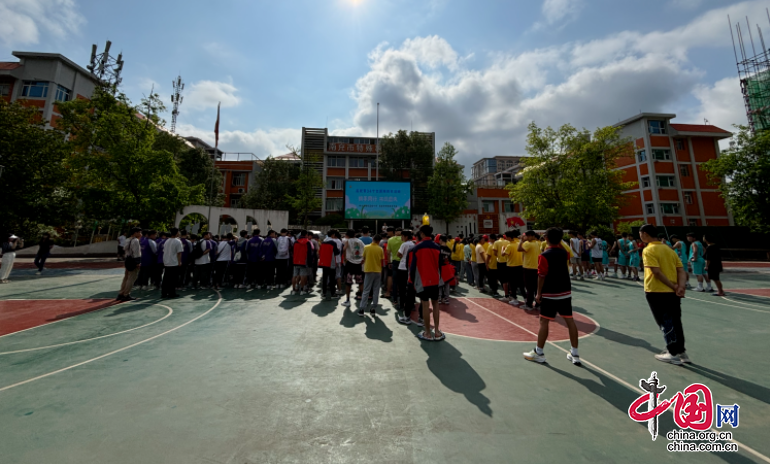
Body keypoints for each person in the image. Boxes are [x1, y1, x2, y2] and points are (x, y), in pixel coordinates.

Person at [523, 227, 581, 365]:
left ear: (546, 238)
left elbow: (541, 276)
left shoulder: (544, 256)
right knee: (570, 321)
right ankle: (575, 353)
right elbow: (565, 249)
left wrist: (538, 293)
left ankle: (539, 352)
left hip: (550, 293)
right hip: (565, 292)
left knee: (544, 322)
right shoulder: (564, 253)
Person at [640, 224, 690, 365]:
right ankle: (681, 351)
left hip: (656, 291)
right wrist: (680, 286)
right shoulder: (669, 250)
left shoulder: (649, 250)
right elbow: (681, 270)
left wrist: (674, 285)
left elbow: (656, 272)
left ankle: (672, 352)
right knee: (675, 320)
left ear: (644, 234)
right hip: (672, 292)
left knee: (665, 321)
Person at [410, 225, 444, 341]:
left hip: (423, 280)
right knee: (435, 304)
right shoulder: (437, 247)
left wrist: (411, 280)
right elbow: (440, 265)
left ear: (422, 233)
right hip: (435, 279)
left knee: (425, 304)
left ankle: (427, 332)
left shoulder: (417, 247)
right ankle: (437, 332)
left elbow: (413, 266)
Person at [360, 234, 384, 316]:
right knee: (376, 290)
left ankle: (362, 309)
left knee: (366, 290)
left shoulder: (366, 247)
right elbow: (382, 260)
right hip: (377, 271)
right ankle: (373, 308)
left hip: (368, 270)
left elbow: (363, 258)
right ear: (379, 241)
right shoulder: (380, 249)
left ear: (373, 239)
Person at [396, 230, 417, 324]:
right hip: (410, 267)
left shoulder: (404, 245)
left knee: (402, 287)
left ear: (405, 236)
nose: (401, 238)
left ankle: (401, 304)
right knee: (410, 287)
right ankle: (411, 304)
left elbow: (399, 254)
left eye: (402, 236)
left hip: (402, 267)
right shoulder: (414, 244)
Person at [116, 227, 142, 301]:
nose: (141, 234)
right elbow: (136, 252)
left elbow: (125, 249)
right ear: (135, 233)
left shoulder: (127, 240)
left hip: (127, 259)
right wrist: (138, 263)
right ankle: (126, 294)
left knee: (126, 277)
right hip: (133, 260)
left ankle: (121, 293)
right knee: (131, 278)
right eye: (139, 232)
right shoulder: (135, 241)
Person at [342, 229, 365, 307]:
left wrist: (345, 258)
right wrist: (363, 259)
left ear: (347, 235)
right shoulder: (360, 241)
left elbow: (344, 249)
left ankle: (348, 300)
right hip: (358, 263)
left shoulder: (348, 241)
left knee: (348, 282)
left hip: (350, 263)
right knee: (360, 281)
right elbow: (364, 250)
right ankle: (363, 298)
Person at [519, 230, 541, 309]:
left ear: (532, 236)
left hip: (528, 268)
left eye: (528, 236)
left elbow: (519, 249)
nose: (526, 237)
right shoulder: (538, 243)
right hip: (536, 267)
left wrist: (521, 241)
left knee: (529, 288)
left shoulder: (527, 244)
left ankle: (529, 304)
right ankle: (538, 304)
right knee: (535, 287)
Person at [503, 230, 525, 306]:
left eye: (506, 236)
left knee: (512, 284)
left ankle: (515, 299)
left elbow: (504, 254)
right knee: (521, 283)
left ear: (509, 237)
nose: (505, 238)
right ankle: (525, 298)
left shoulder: (510, 245)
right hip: (520, 265)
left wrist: (503, 249)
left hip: (511, 266)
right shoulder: (519, 243)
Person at [161, 228, 184, 299]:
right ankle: (172, 293)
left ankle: (164, 293)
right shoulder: (177, 241)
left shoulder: (167, 241)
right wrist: (179, 261)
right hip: (174, 262)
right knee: (173, 279)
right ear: (177, 233)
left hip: (167, 261)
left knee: (166, 278)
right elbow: (179, 253)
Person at [319, 229, 341, 300]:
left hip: (324, 262)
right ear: (332, 235)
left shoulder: (323, 242)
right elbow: (337, 252)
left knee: (324, 278)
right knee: (332, 278)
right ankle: (332, 293)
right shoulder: (333, 242)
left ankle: (324, 293)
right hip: (331, 262)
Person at [291, 230, 313, 295]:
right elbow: (309, 253)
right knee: (303, 275)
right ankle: (302, 290)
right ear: (306, 235)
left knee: (295, 275)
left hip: (295, 260)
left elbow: (293, 251)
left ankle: (294, 289)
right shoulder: (307, 242)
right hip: (304, 261)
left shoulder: (295, 242)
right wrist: (310, 262)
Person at [386, 227, 402, 301]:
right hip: (403, 262)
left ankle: (392, 295)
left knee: (393, 279)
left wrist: (389, 262)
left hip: (394, 261)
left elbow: (388, 252)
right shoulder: (404, 240)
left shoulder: (390, 240)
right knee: (403, 279)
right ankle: (401, 294)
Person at [493, 233, 510, 299]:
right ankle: (510, 293)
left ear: (497, 237)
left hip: (500, 262)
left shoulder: (496, 242)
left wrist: (499, 256)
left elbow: (495, 253)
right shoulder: (508, 242)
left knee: (502, 279)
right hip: (508, 262)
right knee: (508, 278)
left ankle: (506, 294)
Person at [438, 235, 453, 304]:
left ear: (441, 240)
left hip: (440, 267)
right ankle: (446, 298)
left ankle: (439, 297)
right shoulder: (449, 249)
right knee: (447, 283)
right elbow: (450, 259)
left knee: (440, 283)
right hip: (447, 267)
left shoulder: (438, 248)